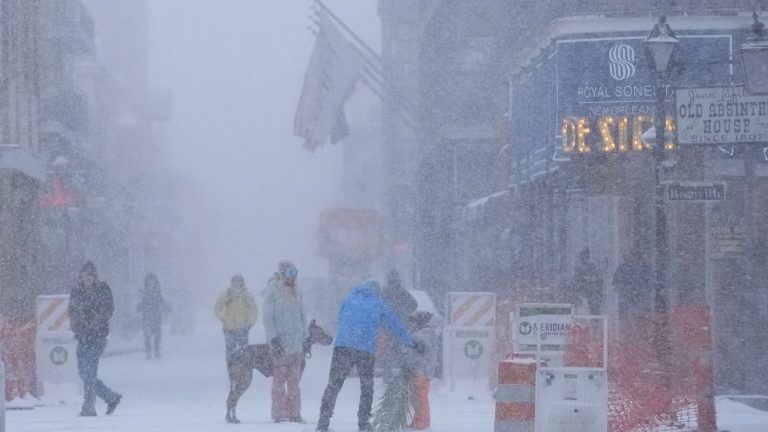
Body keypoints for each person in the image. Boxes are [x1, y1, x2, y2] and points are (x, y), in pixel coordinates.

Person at [315, 280, 424, 432]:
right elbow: (394, 326)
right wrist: (412, 342)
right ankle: (363, 422)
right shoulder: (378, 303)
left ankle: (323, 422)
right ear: (377, 291)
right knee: (366, 388)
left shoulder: (349, 298)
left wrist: (349, 335)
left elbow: (340, 318)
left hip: (343, 347)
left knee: (333, 385)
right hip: (365, 350)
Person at [68, 261, 122, 416]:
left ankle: (89, 407)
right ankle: (111, 397)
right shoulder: (76, 291)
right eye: (86, 274)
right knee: (83, 372)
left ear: (95, 275)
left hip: (97, 337)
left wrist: (95, 321)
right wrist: (76, 326)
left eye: (91, 274)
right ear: (81, 275)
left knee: (90, 372)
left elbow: (109, 310)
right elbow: (71, 311)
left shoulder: (102, 289)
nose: (88, 277)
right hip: (82, 337)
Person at [263, 260, 309, 423]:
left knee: (294, 382)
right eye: (290, 274)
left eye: (295, 274)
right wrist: (273, 338)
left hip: (296, 345)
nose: (293, 278)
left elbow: (302, 317)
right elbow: (268, 318)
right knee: (279, 381)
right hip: (280, 346)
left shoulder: (297, 290)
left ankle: (294, 413)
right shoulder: (272, 291)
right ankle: (278, 413)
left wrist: (305, 338)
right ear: (282, 274)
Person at [377, 269, 417, 381]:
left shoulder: (384, 291)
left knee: (387, 350)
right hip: (400, 325)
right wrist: (404, 312)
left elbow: (378, 305)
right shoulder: (402, 291)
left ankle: (387, 375)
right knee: (401, 349)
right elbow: (414, 304)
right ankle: (403, 374)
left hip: (387, 326)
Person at [404, 311, 440, 430]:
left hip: (422, 371)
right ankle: (418, 420)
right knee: (417, 397)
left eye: (414, 322)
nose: (412, 325)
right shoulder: (424, 333)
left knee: (421, 398)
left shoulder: (424, 334)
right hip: (420, 371)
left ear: (421, 321)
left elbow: (412, 347)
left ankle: (423, 422)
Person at [214, 274, 258, 361]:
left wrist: (250, 323)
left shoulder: (247, 295)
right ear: (232, 283)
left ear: (242, 282)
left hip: (243, 328)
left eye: (239, 281)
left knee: (244, 350)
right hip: (228, 328)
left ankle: (244, 369)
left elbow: (253, 310)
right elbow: (217, 308)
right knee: (230, 350)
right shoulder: (226, 295)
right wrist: (223, 317)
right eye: (235, 281)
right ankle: (232, 369)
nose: (237, 283)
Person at [137, 273, 167, 359]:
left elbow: (160, 300)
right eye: (150, 280)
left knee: (157, 334)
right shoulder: (144, 291)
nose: (151, 282)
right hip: (147, 316)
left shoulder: (157, 291)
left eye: (153, 280)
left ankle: (156, 350)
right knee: (147, 334)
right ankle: (148, 351)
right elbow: (142, 302)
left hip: (155, 316)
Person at [572, 248, 604, 314]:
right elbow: (576, 282)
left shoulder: (592, 269)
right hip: (585, 295)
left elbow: (597, 282)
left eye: (583, 257)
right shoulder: (579, 269)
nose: (583, 260)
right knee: (582, 313)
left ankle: (594, 322)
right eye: (582, 258)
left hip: (591, 296)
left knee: (593, 312)